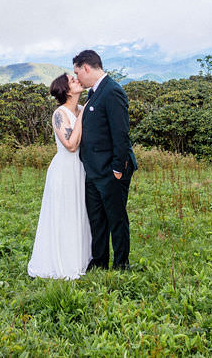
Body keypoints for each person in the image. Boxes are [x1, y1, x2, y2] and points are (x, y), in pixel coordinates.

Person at [73, 49, 137, 271]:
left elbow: (121, 134)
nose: (77, 77)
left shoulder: (112, 91)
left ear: (87, 68)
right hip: (93, 170)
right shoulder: (94, 92)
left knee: (116, 219)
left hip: (111, 170)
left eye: (77, 72)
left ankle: (121, 264)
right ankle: (99, 262)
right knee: (97, 219)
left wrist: (118, 169)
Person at [27, 73, 91, 279]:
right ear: (66, 90)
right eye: (72, 80)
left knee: (79, 212)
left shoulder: (81, 108)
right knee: (64, 214)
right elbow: (71, 145)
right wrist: (82, 117)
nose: (77, 80)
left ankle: (80, 257)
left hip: (80, 169)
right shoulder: (59, 114)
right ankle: (59, 261)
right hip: (64, 170)